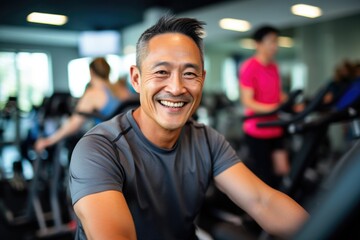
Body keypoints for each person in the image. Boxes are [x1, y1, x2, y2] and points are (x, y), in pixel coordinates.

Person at [69, 16, 308, 240]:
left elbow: (263, 202)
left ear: (202, 80)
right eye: (162, 72)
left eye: (190, 73)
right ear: (136, 79)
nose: (176, 88)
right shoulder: (98, 150)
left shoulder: (207, 140)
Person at [34, 57, 122, 153]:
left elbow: (74, 125)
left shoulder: (93, 93)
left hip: (110, 143)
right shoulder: (121, 89)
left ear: (91, 72)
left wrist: (49, 141)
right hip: (125, 139)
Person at [239, 25, 290, 188]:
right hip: (257, 129)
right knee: (265, 176)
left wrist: (291, 102)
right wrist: (272, 109)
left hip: (275, 127)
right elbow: (247, 101)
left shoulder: (274, 67)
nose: (275, 46)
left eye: (276, 42)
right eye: (271, 41)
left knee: (283, 170)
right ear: (258, 44)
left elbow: (277, 94)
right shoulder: (249, 67)